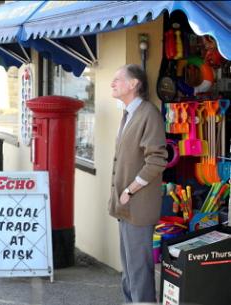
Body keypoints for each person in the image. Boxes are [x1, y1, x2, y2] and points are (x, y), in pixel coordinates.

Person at [108, 64, 167, 303]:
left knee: (139, 270)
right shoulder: (128, 113)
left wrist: (130, 190)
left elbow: (157, 160)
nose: (112, 83)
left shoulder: (148, 114)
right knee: (129, 269)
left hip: (138, 205)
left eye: (117, 79)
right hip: (125, 205)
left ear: (134, 84)